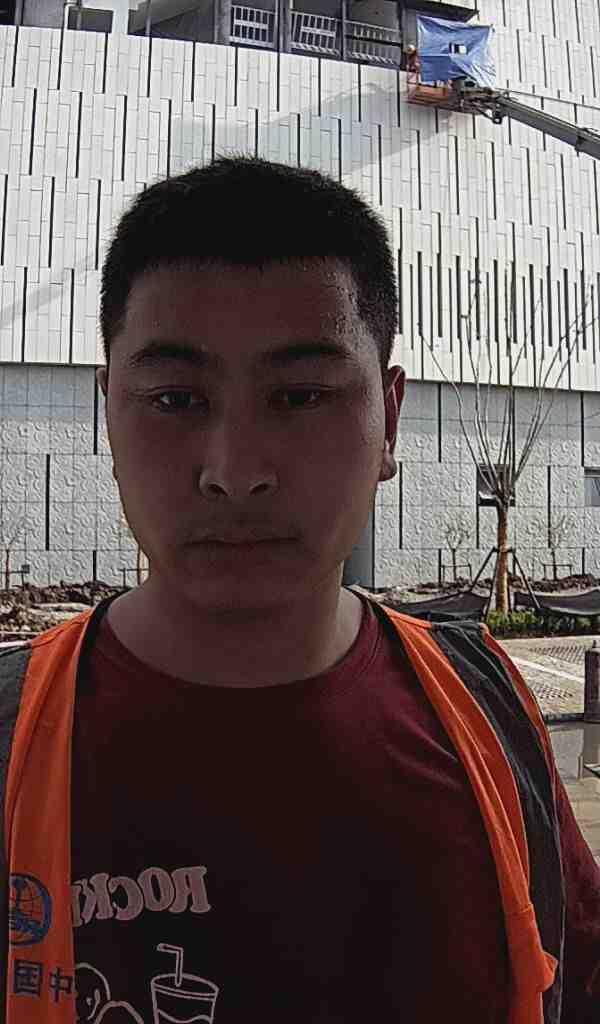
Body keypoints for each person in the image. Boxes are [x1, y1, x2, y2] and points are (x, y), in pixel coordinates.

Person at [1, 155, 599, 1024]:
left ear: (389, 419)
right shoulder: (11, 734)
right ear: (109, 414)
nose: (234, 471)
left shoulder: (487, 708)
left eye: (301, 395)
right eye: (174, 399)